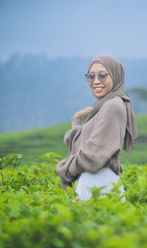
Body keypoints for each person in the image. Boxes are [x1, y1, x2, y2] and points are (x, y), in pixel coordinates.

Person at [56, 54, 137, 201]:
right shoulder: (102, 107)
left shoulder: (113, 106)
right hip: (92, 181)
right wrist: (76, 122)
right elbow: (80, 149)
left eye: (102, 75)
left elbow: (92, 156)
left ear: (115, 76)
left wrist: (64, 168)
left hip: (98, 183)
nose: (96, 81)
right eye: (91, 76)